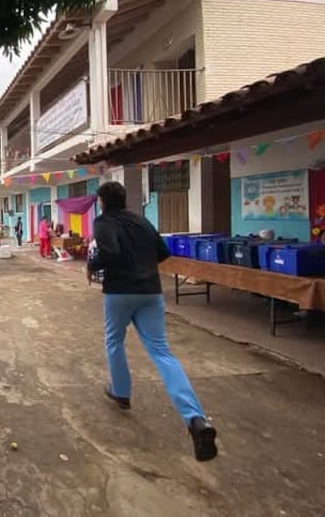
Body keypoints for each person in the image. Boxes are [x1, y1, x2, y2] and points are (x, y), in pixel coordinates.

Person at [87, 181, 217, 462]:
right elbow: (163, 252)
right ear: (124, 199)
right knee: (162, 352)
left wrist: (92, 265)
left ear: (102, 201)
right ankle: (195, 419)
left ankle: (122, 393)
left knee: (114, 342)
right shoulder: (142, 221)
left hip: (120, 292)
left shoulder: (103, 221)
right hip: (151, 292)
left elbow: (110, 252)